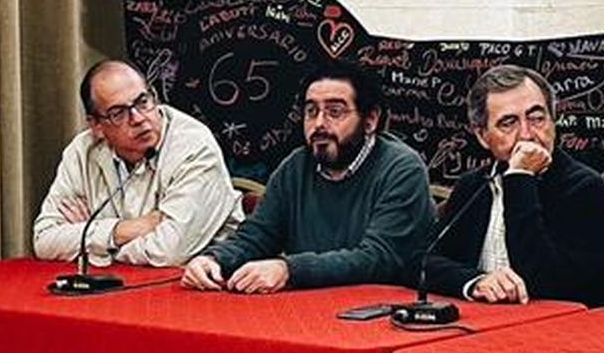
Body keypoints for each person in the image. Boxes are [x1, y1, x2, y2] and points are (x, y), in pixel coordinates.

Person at [182, 62, 435, 293]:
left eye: (334, 111)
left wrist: (289, 270)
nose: (319, 124)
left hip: (380, 308)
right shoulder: (296, 165)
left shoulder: (401, 168)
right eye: (311, 111)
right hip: (306, 306)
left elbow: (379, 258)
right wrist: (215, 259)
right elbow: (258, 235)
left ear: (370, 120)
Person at [421, 65, 604, 306]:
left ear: (553, 121)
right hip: (483, 320)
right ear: (482, 135)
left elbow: (547, 284)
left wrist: (520, 178)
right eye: (508, 123)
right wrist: (475, 282)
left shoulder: (585, 188)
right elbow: (422, 262)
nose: (527, 134)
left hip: (560, 323)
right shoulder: (473, 185)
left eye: (537, 118)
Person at [32, 59, 242, 269]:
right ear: (97, 126)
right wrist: (122, 230)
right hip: (119, 281)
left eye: (143, 101)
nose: (138, 118)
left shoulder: (194, 146)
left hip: (200, 280)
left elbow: (168, 252)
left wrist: (90, 241)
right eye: (118, 113)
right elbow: (44, 240)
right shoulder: (83, 151)